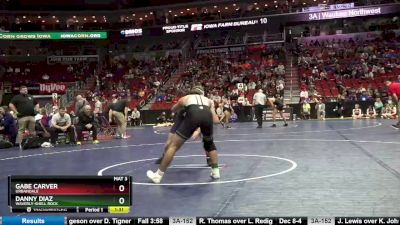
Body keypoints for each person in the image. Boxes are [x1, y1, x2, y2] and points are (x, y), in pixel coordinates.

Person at [147, 85, 221, 184]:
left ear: (191, 93)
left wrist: (182, 107)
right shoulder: (209, 101)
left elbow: (173, 109)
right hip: (207, 116)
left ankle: (158, 175)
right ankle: (216, 172)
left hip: (193, 115)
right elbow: (216, 121)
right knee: (210, 144)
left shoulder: (186, 98)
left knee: (173, 146)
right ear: (202, 93)